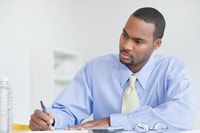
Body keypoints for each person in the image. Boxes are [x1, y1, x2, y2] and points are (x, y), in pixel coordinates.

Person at [29, 7, 197, 132]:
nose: (125, 45)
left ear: (157, 44)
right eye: (124, 35)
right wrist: (50, 120)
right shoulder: (96, 68)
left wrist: (113, 121)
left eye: (137, 41)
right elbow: (67, 110)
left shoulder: (172, 69)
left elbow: (183, 116)